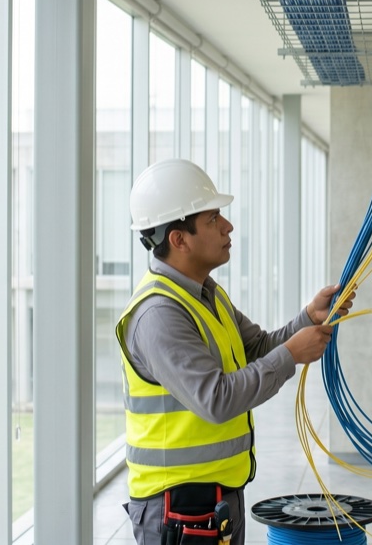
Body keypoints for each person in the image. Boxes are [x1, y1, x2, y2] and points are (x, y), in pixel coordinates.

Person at [117, 158, 353, 545]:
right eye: (213, 219)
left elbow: (258, 348)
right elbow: (216, 399)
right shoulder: (159, 315)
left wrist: (307, 318)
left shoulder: (206, 293)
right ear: (179, 239)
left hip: (215, 498)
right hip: (176, 508)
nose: (227, 226)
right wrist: (292, 354)